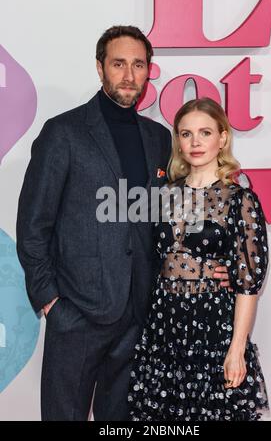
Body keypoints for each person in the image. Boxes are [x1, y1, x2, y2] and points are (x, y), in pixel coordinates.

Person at [16, 26, 230, 421]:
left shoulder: (157, 138)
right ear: (100, 69)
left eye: (138, 65)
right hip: (76, 314)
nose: (129, 76)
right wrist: (52, 303)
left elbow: (171, 221)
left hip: (138, 315)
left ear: (149, 71)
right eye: (119, 64)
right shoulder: (63, 133)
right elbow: (33, 225)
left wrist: (210, 265)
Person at [128, 98, 269, 421]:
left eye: (205, 132)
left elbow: (249, 281)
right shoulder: (163, 196)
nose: (195, 142)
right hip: (162, 331)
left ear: (222, 138)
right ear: (177, 140)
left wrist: (236, 349)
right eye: (185, 133)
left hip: (213, 329)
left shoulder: (240, 200)